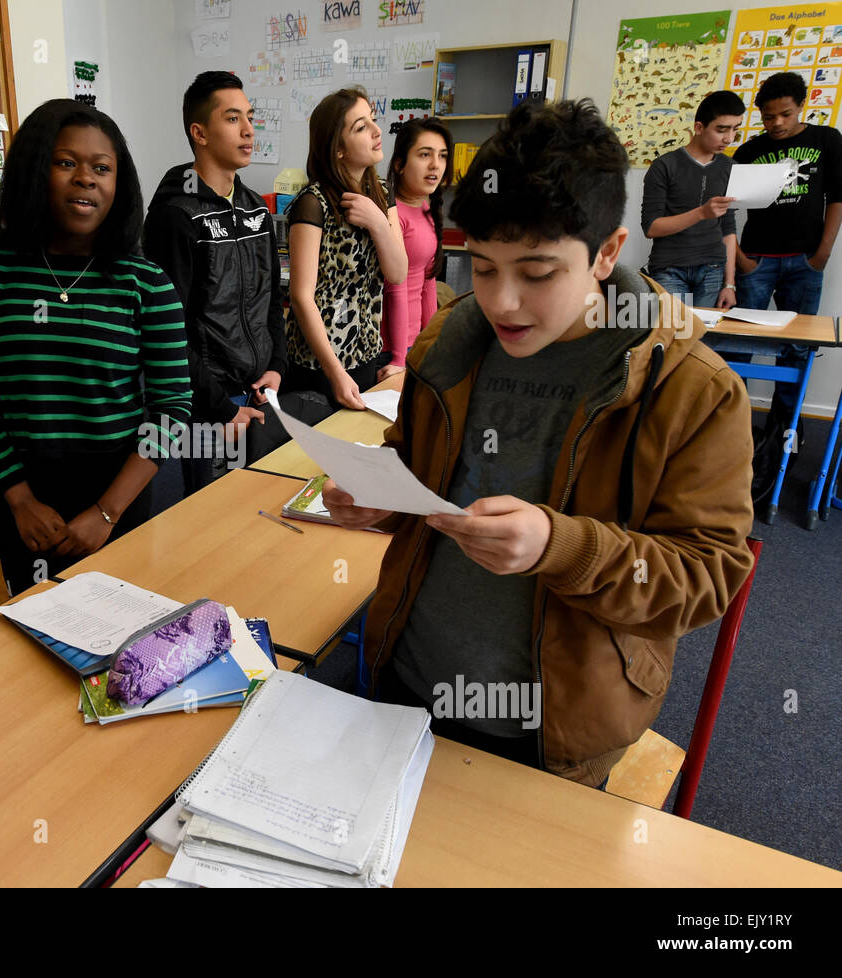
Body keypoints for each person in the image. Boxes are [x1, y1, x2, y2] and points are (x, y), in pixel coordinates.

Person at [324, 100, 755, 788]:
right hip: (408, 675)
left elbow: (705, 577)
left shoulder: (689, 388)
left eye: (537, 272)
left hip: (550, 723)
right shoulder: (450, 343)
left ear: (608, 252)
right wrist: (380, 494)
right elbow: (420, 464)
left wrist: (563, 547)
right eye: (485, 267)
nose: (502, 302)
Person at [0, 99, 192, 595]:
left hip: (119, 485)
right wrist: (19, 500)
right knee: (37, 626)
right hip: (24, 487)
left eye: (102, 168)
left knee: (121, 632)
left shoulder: (145, 283)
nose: (87, 179)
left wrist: (107, 512)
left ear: (118, 184)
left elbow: (172, 407)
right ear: (34, 171)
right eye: (66, 163)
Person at [143, 71, 288, 493]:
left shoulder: (254, 209)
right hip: (206, 407)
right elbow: (168, 333)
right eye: (232, 119)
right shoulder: (175, 216)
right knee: (207, 525)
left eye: (250, 117)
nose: (248, 130)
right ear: (199, 132)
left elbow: (271, 301)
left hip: (259, 394)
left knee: (256, 516)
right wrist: (222, 409)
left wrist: (276, 368)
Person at [730, 72, 842, 498]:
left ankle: (784, 436)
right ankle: (735, 432)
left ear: (803, 105)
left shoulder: (827, 140)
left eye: (785, 114)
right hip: (757, 261)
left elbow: (838, 198)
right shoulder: (749, 150)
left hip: (804, 262)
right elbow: (728, 210)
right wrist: (741, 257)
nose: (776, 123)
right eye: (768, 116)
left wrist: (822, 254)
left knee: (798, 352)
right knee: (739, 346)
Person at [281, 86, 408, 413]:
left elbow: (398, 272)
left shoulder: (381, 192)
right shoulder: (312, 204)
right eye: (361, 127)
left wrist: (378, 223)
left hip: (366, 354)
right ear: (337, 148)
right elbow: (300, 296)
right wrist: (334, 372)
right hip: (319, 364)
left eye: (373, 120)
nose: (377, 131)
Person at [641, 90, 745, 310]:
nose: (729, 138)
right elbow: (651, 227)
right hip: (669, 268)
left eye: (735, 129)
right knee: (674, 337)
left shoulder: (731, 168)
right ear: (698, 128)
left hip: (713, 269)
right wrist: (701, 213)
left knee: (700, 338)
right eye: (721, 130)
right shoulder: (665, 166)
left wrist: (730, 284)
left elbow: (728, 229)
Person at [382, 116, 452, 372]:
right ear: (400, 164)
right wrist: (399, 359)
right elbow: (395, 289)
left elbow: (428, 282)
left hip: (414, 342)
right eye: (425, 155)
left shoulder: (425, 207)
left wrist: (430, 342)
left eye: (443, 156)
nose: (436, 165)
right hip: (390, 349)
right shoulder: (393, 214)